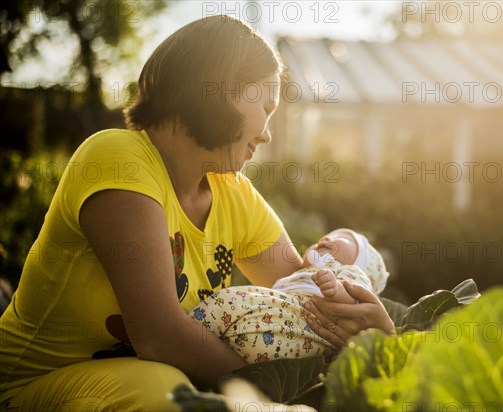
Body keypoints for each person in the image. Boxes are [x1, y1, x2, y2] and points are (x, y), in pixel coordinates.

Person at [0, 15, 394, 411]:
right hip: (28, 388)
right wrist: (270, 399)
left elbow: (304, 300)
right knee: (167, 388)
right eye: (265, 106)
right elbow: (160, 335)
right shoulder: (117, 158)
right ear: (219, 90)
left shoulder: (233, 193)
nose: (267, 133)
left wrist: (371, 331)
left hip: (140, 382)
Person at [190, 228, 389, 363]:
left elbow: (354, 302)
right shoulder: (299, 276)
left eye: (343, 237)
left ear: (360, 263)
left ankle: (190, 330)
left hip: (300, 333)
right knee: (229, 306)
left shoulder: (351, 273)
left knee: (227, 302)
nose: (326, 238)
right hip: (274, 331)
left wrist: (336, 289)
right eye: (328, 234)